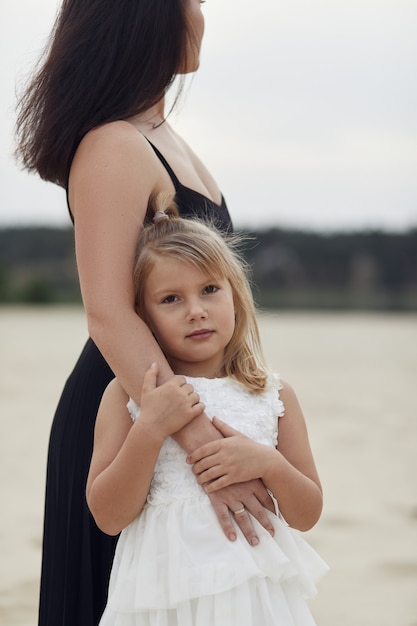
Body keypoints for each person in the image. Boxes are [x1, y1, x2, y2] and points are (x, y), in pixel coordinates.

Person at [15, 1, 279, 624]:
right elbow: (108, 313)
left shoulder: (165, 139)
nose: (202, 14)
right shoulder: (112, 144)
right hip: (133, 414)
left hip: (184, 415)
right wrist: (199, 444)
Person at [86, 195, 328, 626]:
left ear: (235, 295)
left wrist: (268, 463)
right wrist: (150, 428)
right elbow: (108, 516)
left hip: (254, 602)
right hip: (163, 600)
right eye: (171, 299)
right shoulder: (126, 396)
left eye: (210, 290)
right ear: (142, 315)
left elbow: (307, 514)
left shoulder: (273, 395)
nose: (196, 311)